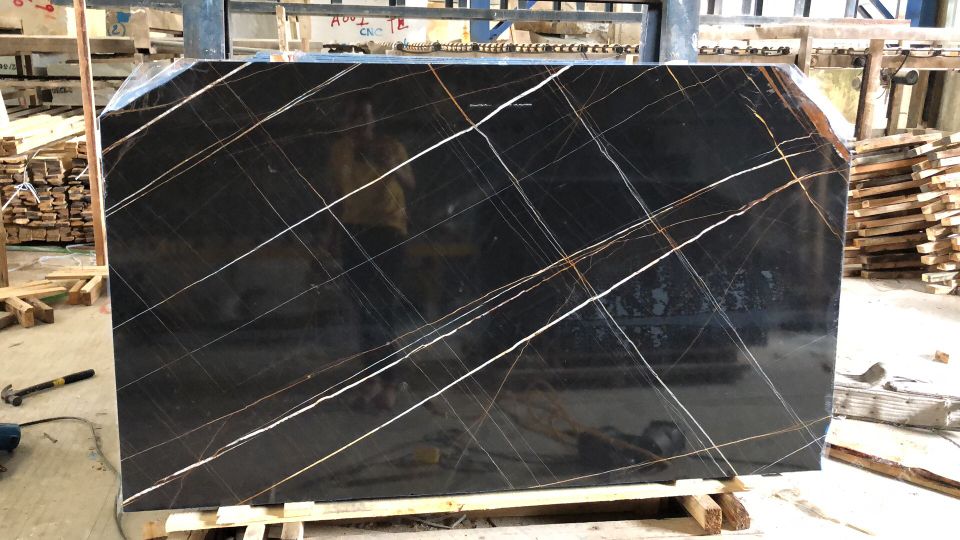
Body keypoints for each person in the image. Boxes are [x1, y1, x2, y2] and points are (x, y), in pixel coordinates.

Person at [330, 98, 415, 411]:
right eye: (354, 117)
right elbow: (337, 196)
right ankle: (371, 380)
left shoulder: (390, 146)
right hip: (355, 232)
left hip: (388, 231)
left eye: (366, 117)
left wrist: (391, 165)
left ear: (373, 120)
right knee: (363, 308)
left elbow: (410, 182)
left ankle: (390, 380)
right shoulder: (340, 151)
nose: (361, 124)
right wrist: (331, 237)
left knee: (384, 308)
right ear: (345, 123)